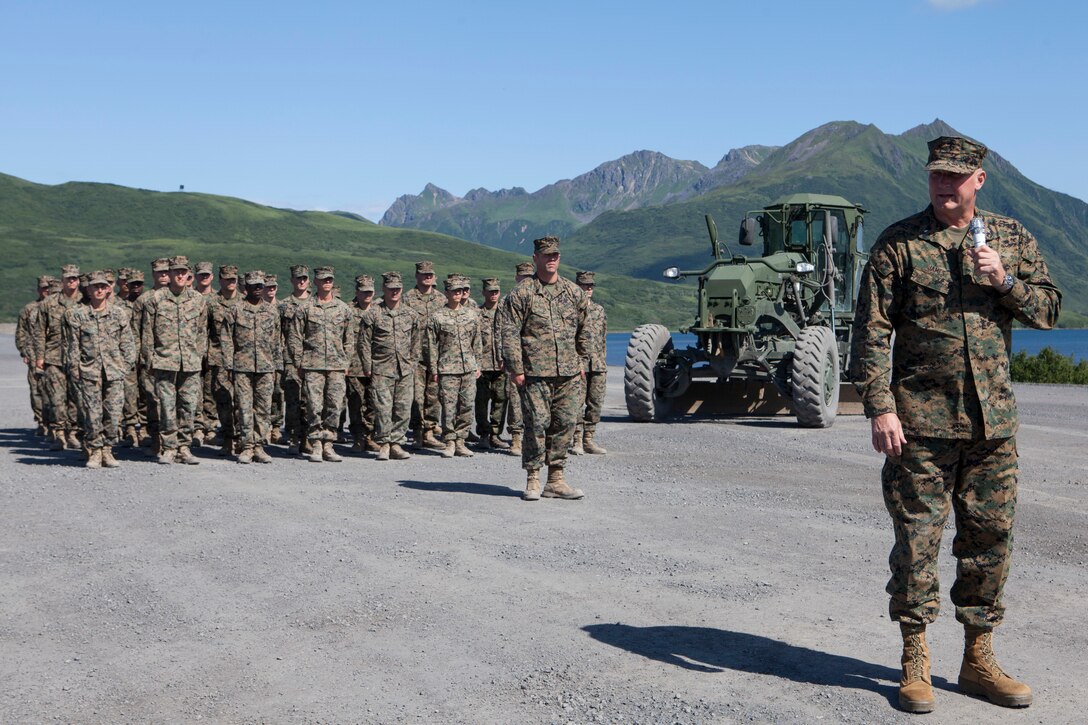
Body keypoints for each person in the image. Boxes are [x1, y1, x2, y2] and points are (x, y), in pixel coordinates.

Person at [849, 136, 1061, 714]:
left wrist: (1004, 282)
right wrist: (880, 406)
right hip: (918, 425)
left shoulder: (1011, 238)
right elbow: (870, 332)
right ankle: (915, 660)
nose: (945, 186)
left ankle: (978, 660)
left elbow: (1049, 311)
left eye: (956, 177)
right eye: (937, 176)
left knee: (989, 543)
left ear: (979, 180)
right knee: (917, 544)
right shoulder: (899, 243)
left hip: (993, 427)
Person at [500, 236, 589, 501]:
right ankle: (533, 477)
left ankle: (556, 479)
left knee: (565, 423)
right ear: (535, 258)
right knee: (536, 424)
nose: (551, 259)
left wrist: (582, 361)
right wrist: (516, 368)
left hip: (568, 373)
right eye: (546, 255)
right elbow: (510, 333)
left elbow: (585, 330)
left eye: (555, 255)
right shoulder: (522, 293)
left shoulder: (573, 293)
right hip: (535, 372)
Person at [64, 270, 137, 468]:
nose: (99, 290)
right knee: (92, 414)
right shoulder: (78, 315)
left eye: (103, 287)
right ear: (88, 289)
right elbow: (73, 346)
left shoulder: (118, 314)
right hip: (89, 372)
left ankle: (108, 449)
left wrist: (124, 366)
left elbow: (128, 344)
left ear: (108, 289)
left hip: (114, 372)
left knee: (113, 414)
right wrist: (75, 370)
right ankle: (95, 450)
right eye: (95, 286)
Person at [141, 255, 209, 465]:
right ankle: (169, 447)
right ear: (168, 274)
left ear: (188, 274)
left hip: (190, 362)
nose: (179, 275)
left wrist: (198, 355)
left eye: (183, 272)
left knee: (188, 406)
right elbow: (147, 333)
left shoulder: (198, 300)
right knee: (167, 406)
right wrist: (149, 360)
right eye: (175, 272)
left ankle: (184, 447)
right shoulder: (156, 299)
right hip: (164, 361)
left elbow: (201, 332)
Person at [287, 265, 352, 463]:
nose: (327, 283)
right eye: (323, 279)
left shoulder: (343, 309)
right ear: (315, 282)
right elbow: (295, 337)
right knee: (314, 406)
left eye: (329, 279)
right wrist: (299, 361)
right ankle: (315, 443)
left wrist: (346, 361)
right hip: (312, 364)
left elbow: (349, 339)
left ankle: (329, 444)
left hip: (336, 366)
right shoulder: (305, 308)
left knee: (334, 406)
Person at [358, 271, 422, 461]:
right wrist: (367, 365)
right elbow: (364, 342)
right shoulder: (373, 314)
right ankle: (384, 444)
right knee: (383, 408)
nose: (395, 292)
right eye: (391, 289)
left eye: (398, 289)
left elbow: (416, 342)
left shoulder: (410, 314)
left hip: (405, 368)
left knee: (402, 407)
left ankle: (396, 443)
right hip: (381, 368)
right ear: (384, 289)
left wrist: (412, 363)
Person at [222, 271, 281, 464]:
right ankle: (246, 446)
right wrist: (229, 365)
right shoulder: (235, 310)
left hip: (265, 367)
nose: (257, 289)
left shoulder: (271, 311)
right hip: (242, 367)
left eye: (260, 286)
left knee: (263, 408)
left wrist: (277, 366)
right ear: (245, 287)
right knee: (244, 407)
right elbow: (227, 339)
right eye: (253, 286)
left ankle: (259, 446)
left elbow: (277, 340)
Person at [427, 274, 481, 458]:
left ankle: (461, 441)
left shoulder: (471, 315)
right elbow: (432, 345)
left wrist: (477, 364)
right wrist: (434, 369)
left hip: (468, 367)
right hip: (447, 368)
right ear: (447, 293)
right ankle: (449, 441)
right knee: (448, 407)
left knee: (466, 405)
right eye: (454, 291)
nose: (458, 294)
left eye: (460, 291)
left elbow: (477, 342)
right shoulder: (437, 317)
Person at [35, 264, 84, 451]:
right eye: (68, 278)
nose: (71, 281)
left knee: (75, 398)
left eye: (74, 278)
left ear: (78, 280)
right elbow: (39, 332)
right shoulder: (49, 303)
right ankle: (59, 433)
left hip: (78, 358)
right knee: (56, 399)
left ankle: (73, 433)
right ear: (62, 280)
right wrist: (40, 356)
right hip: (54, 357)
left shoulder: (85, 302)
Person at [405, 260, 445, 450]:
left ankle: (429, 431)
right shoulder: (408, 298)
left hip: (436, 355)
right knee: (416, 397)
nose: (427, 277)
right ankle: (417, 433)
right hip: (415, 356)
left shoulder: (441, 299)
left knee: (433, 396)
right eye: (424, 274)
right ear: (417, 276)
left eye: (430, 275)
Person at [571, 270, 608, 455]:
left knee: (595, 402)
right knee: (577, 403)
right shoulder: (571, 310)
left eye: (591, 286)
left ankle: (589, 439)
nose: (588, 289)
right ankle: (577, 439)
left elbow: (602, 338)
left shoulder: (599, 310)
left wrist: (602, 362)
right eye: (585, 285)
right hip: (579, 365)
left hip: (598, 364)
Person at [206, 264, 242, 456]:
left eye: (233, 279)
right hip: (218, 357)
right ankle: (228, 437)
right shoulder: (211, 302)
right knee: (223, 400)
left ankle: (241, 438)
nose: (231, 282)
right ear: (220, 280)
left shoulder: (244, 302)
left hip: (241, 359)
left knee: (241, 401)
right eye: (227, 279)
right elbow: (203, 330)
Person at [502, 261, 535, 455]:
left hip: (535, 361)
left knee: (534, 404)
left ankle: (532, 438)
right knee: (514, 401)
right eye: (522, 277)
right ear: (516, 278)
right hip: (515, 359)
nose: (525, 280)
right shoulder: (510, 300)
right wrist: (505, 358)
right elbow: (503, 332)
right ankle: (515, 437)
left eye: (529, 277)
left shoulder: (537, 298)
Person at [279, 264, 312, 454]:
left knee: (309, 401)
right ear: (291, 281)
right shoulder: (284, 305)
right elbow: (278, 333)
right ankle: (293, 437)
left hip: (311, 359)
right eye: (298, 278)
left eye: (304, 279)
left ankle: (307, 437)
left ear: (308, 281)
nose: (301, 282)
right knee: (292, 400)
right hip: (289, 359)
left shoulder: (314, 304)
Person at [15, 275, 53, 435]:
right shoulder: (29, 308)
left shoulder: (56, 306)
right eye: (43, 288)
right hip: (33, 354)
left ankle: (55, 422)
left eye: (48, 288)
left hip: (53, 354)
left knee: (54, 391)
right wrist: (24, 351)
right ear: (39, 289)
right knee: (37, 390)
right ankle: (42, 421)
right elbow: (21, 332)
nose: (46, 291)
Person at [474, 277, 509, 451]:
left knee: (501, 399)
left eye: (496, 291)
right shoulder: (477, 314)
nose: (494, 294)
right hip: (482, 365)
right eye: (490, 291)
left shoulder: (505, 315)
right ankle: (484, 434)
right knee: (481, 401)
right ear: (484, 293)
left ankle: (496, 434)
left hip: (501, 365)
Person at [347, 274, 379, 453]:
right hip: (354, 366)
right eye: (363, 292)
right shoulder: (348, 310)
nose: (367, 295)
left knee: (373, 403)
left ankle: (370, 436)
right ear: (357, 292)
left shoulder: (378, 310)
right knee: (356, 404)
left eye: (370, 292)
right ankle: (358, 437)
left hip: (376, 365)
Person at [193, 261, 218, 444]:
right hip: (192, 351)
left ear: (212, 276)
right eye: (201, 274)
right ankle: (196, 427)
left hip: (213, 352)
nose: (204, 278)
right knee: (194, 391)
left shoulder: (217, 300)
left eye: (207, 275)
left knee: (210, 391)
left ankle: (210, 426)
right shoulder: (191, 298)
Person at [262, 273, 285, 444]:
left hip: (278, 356)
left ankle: (276, 426)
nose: (271, 290)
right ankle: (263, 428)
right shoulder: (258, 306)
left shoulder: (282, 307)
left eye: (273, 287)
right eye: (267, 287)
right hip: (261, 357)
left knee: (278, 393)